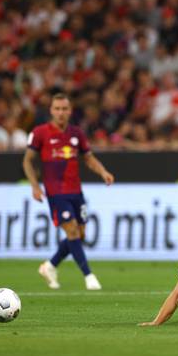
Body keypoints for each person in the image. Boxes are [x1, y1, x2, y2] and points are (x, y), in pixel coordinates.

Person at [23, 93, 114, 290]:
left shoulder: (76, 134)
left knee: (80, 235)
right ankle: (89, 276)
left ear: (70, 110)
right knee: (71, 230)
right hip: (56, 192)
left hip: (76, 192)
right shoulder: (40, 133)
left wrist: (103, 171)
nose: (61, 113)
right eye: (57, 109)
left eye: (64, 109)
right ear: (51, 110)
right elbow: (27, 160)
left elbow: (88, 158)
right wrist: (35, 186)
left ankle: (50, 265)